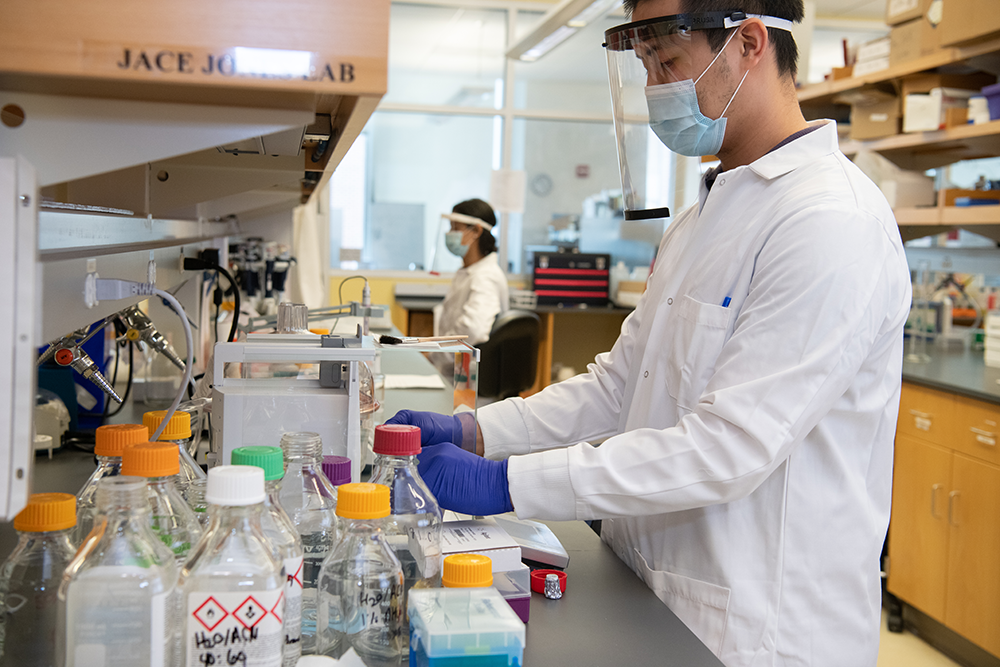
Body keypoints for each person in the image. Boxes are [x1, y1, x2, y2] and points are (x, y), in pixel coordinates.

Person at [390, 2, 911, 666]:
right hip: (653, 600)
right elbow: (617, 385)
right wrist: (480, 431)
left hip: (760, 634)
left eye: (667, 61)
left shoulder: (830, 220)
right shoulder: (703, 217)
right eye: (643, 65)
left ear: (749, 42)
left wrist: (506, 483)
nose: (652, 88)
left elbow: (728, 448)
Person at [435, 199, 509, 346]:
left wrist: (437, 354)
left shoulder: (486, 277)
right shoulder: (469, 272)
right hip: (449, 363)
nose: (450, 234)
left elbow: (473, 330)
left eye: (455, 228)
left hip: (464, 366)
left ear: (476, 231)